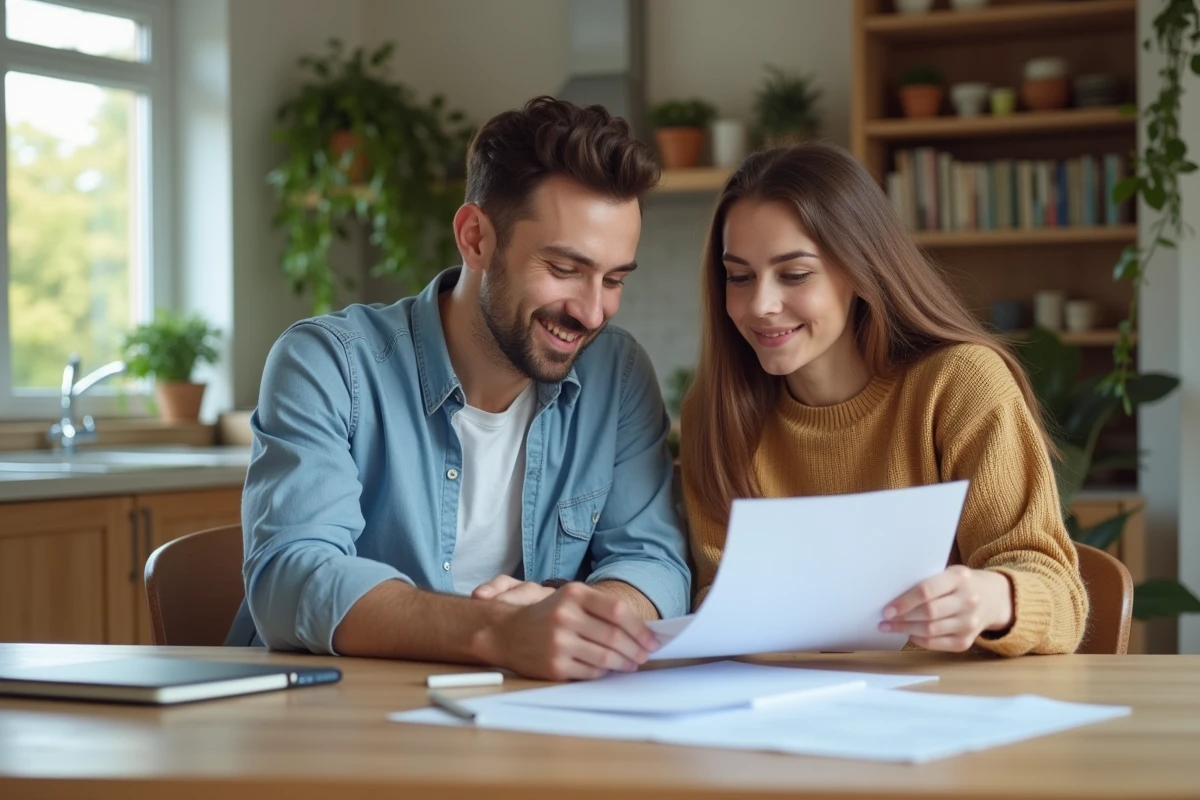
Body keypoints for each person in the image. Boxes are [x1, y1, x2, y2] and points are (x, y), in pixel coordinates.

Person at [225, 97, 691, 680]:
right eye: (565, 270)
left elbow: (654, 563)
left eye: (614, 279)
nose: (593, 312)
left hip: (525, 709)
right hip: (334, 710)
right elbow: (291, 579)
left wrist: (578, 620)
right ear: (475, 239)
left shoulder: (616, 375)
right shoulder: (328, 364)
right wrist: (499, 632)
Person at [680, 143, 1087, 657]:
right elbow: (720, 599)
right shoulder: (714, 414)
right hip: (783, 698)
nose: (760, 304)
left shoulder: (959, 383)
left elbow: (1059, 597)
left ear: (858, 269)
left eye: (795, 274)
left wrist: (992, 598)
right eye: (739, 277)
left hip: (949, 698)